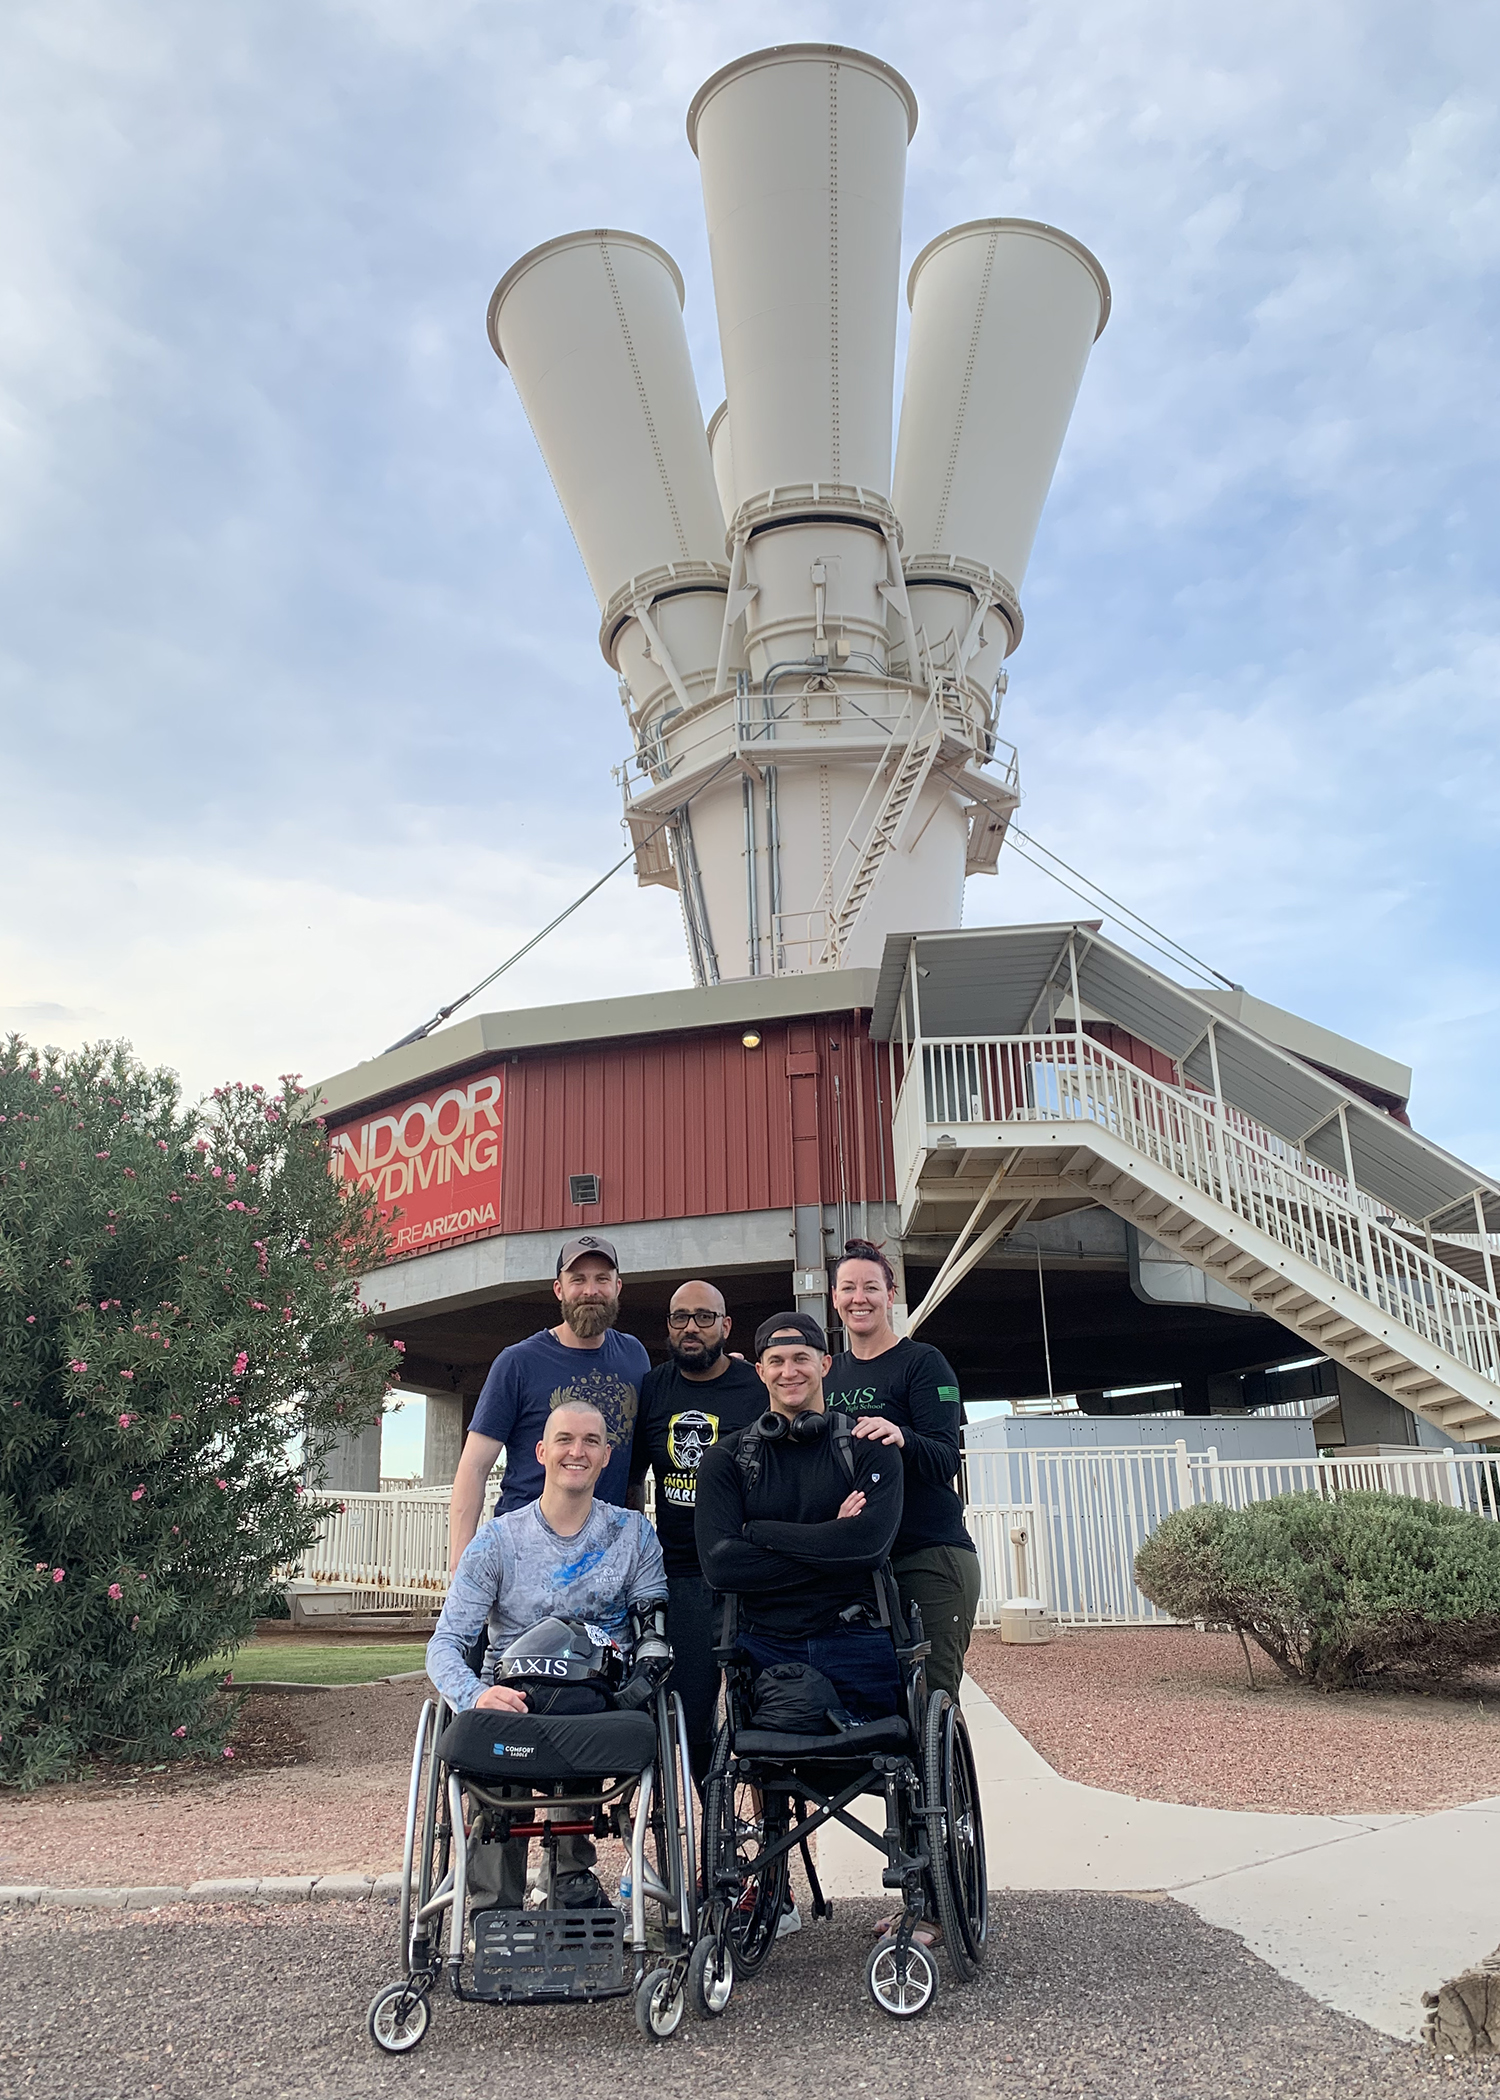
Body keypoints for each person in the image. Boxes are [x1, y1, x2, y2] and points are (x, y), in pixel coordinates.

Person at [427, 1399, 666, 1911]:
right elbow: (445, 1644)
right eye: (565, 1440)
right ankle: (495, 1904)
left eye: (591, 1442)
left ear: (606, 1455)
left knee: (590, 1717)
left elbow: (653, 1633)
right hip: (511, 1695)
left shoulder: (633, 1535)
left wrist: (638, 1685)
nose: (577, 1452)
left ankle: (570, 1879)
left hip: (595, 1700)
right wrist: (475, 1695)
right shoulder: (496, 1542)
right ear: (541, 1452)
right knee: (495, 1733)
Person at [694, 1311, 905, 1723]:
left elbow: (868, 1547)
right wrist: (834, 1543)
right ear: (760, 1372)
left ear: (824, 1364)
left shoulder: (868, 1445)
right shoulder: (726, 1459)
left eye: (801, 1359)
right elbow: (721, 1565)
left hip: (856, 1638)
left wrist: (758, 1533)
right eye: (776, 1361)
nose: (788, 1372)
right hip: (763, 1648)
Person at [825, 1240, 980, 1703]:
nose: (859, 1298)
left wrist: (902, 1435)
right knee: (868, 1702)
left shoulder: (923, 1363)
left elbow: (946, 1458)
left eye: (871, 1287)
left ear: (890, 1295)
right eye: (848, 1288)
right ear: (834, 1297)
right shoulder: (828, 1375)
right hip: (859, 1561)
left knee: (931, 1701)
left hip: (927, 1555)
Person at [627, 1279, 764, 1782]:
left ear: (725, 1326)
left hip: (749, 1573)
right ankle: (713, 1820)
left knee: (765, 1710)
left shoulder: (756, 1387)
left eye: (704, 1317)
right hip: (682, 1573)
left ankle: (769, 1818)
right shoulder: (653, 1388)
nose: (691, 1327)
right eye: (680, 1317)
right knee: (690, 1716)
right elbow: (632, 1481)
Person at [447, 1234, 648, 1574]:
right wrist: (461, 1567)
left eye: (602, 1279)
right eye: (578, 1280)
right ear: (559, 1289)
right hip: (524, 1557)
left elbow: (634, 1467)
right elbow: (474, 1467)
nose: (590, 1291)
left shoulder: (634, 1356)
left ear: (617, 1287)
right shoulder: (518, 1363)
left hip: (603, 1560)